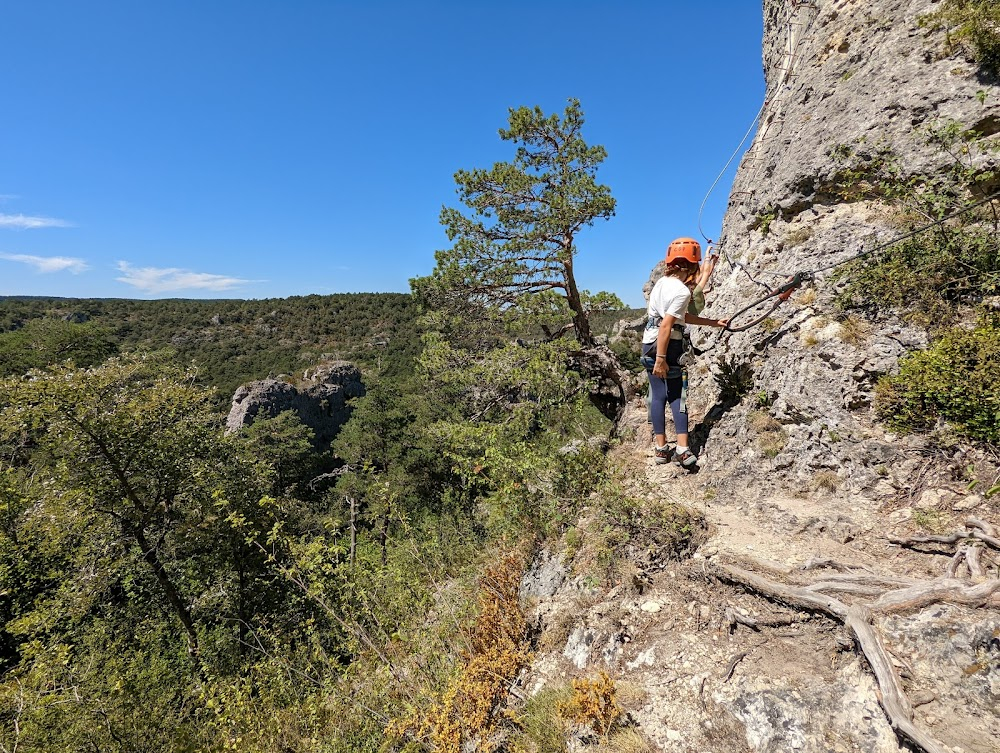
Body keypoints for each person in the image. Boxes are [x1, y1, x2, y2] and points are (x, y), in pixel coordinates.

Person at [641, 237, 728, 467]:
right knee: (678, 397)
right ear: (691, 266)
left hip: (648, 343)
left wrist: (713, 322)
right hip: (666, 346)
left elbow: (681, 316)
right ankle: (682, 449)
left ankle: (661, 449)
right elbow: (667, 325)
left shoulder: (660, 284)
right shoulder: (681, 291)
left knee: (657, 396)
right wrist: (661, 358)